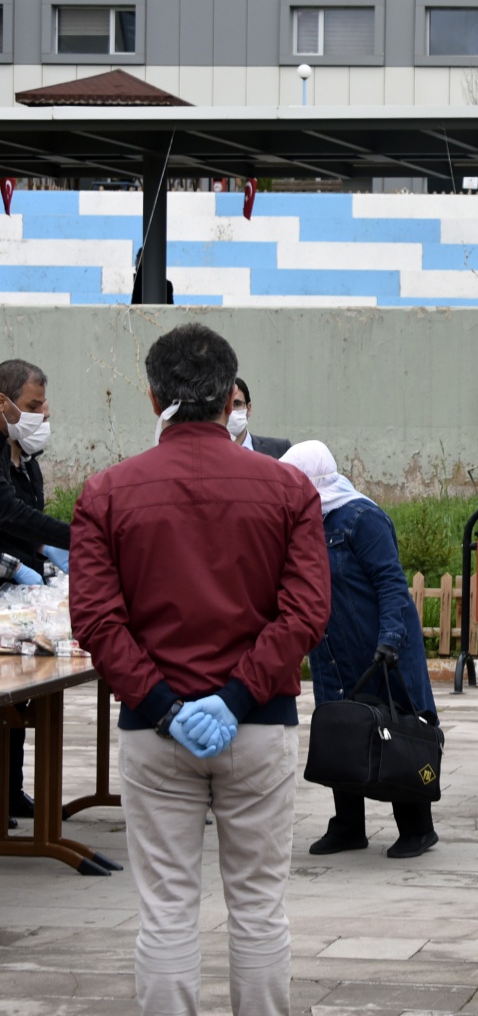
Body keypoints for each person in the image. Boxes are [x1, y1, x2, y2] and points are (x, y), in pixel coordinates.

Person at [70, 322, 331, 1015]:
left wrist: (162, 704)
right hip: (257, 723)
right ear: (228, 398)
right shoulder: (289, 490)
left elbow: (96, 620)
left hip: (155, 730)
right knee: (259, 907)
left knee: (166, 911)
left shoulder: (106, 492)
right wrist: (238, 695)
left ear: (154, 397)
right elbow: (306, 612)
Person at [281, 440, 440, 860]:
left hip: (378, 646)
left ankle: (417, 827)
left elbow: (391, 582)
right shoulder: (304, 523)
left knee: (397, 728)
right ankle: (349, 826)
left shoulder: (362, 518)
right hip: (333, 648)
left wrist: (390, 639)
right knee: (341, 730)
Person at [0, 358, 70, 826]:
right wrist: (77, 535)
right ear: (3, 404)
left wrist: (49, 557)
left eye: (44, 403)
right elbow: (7, 515)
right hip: (7, 581)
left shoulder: (27, 462)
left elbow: (31, 525)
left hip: (19, 600)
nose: (43, 413)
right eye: (32, 405)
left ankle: (11, 791)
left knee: (22, 694)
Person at [231, 378, 292, 459]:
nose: (230, 411)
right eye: (224, 405)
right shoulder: (212, 454)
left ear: (249, 409)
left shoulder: (280, 449)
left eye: (237, 404)